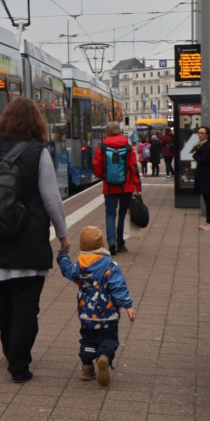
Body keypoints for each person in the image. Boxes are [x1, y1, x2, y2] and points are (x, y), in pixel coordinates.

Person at [0, 98, 70, 384]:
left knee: (5, 304)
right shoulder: (38, 152)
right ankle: (19, 367)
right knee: (26, 306)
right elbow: (51, 198)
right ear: (36, 123)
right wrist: (62, 235)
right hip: (29, 241)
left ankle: (11, 354)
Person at [57, 225, 136, 387]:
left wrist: (62, 256)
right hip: (108, 316)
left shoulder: (80, 266)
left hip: (86, 315)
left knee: (87, 340)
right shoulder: (109, 265)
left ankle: (86, 368)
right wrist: (128, 306)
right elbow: (118, 286)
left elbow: (67, 269)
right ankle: (104, 357)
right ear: (101, 245)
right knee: (108, 339)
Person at [93, 122, 142, 255]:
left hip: (109, 187)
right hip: (126, 186)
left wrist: (104, 177)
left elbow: (96, 166)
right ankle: (120, 244)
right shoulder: (127, 145)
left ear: (107, 132)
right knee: (122, 214)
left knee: (110, 213)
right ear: (119, 131)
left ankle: (111, 241)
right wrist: (138, 186)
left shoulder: (102, 146)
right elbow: (133, 167)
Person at [194, 126, 210, 230]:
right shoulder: (201, 145)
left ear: (207, 135)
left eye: (202, 133)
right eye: (199, 133)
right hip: (203, 175)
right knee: (207, 200)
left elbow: (202, 159)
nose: (200, 135)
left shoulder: (209, 146)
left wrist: (195, 155)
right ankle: (209, 222)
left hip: (208, 176)